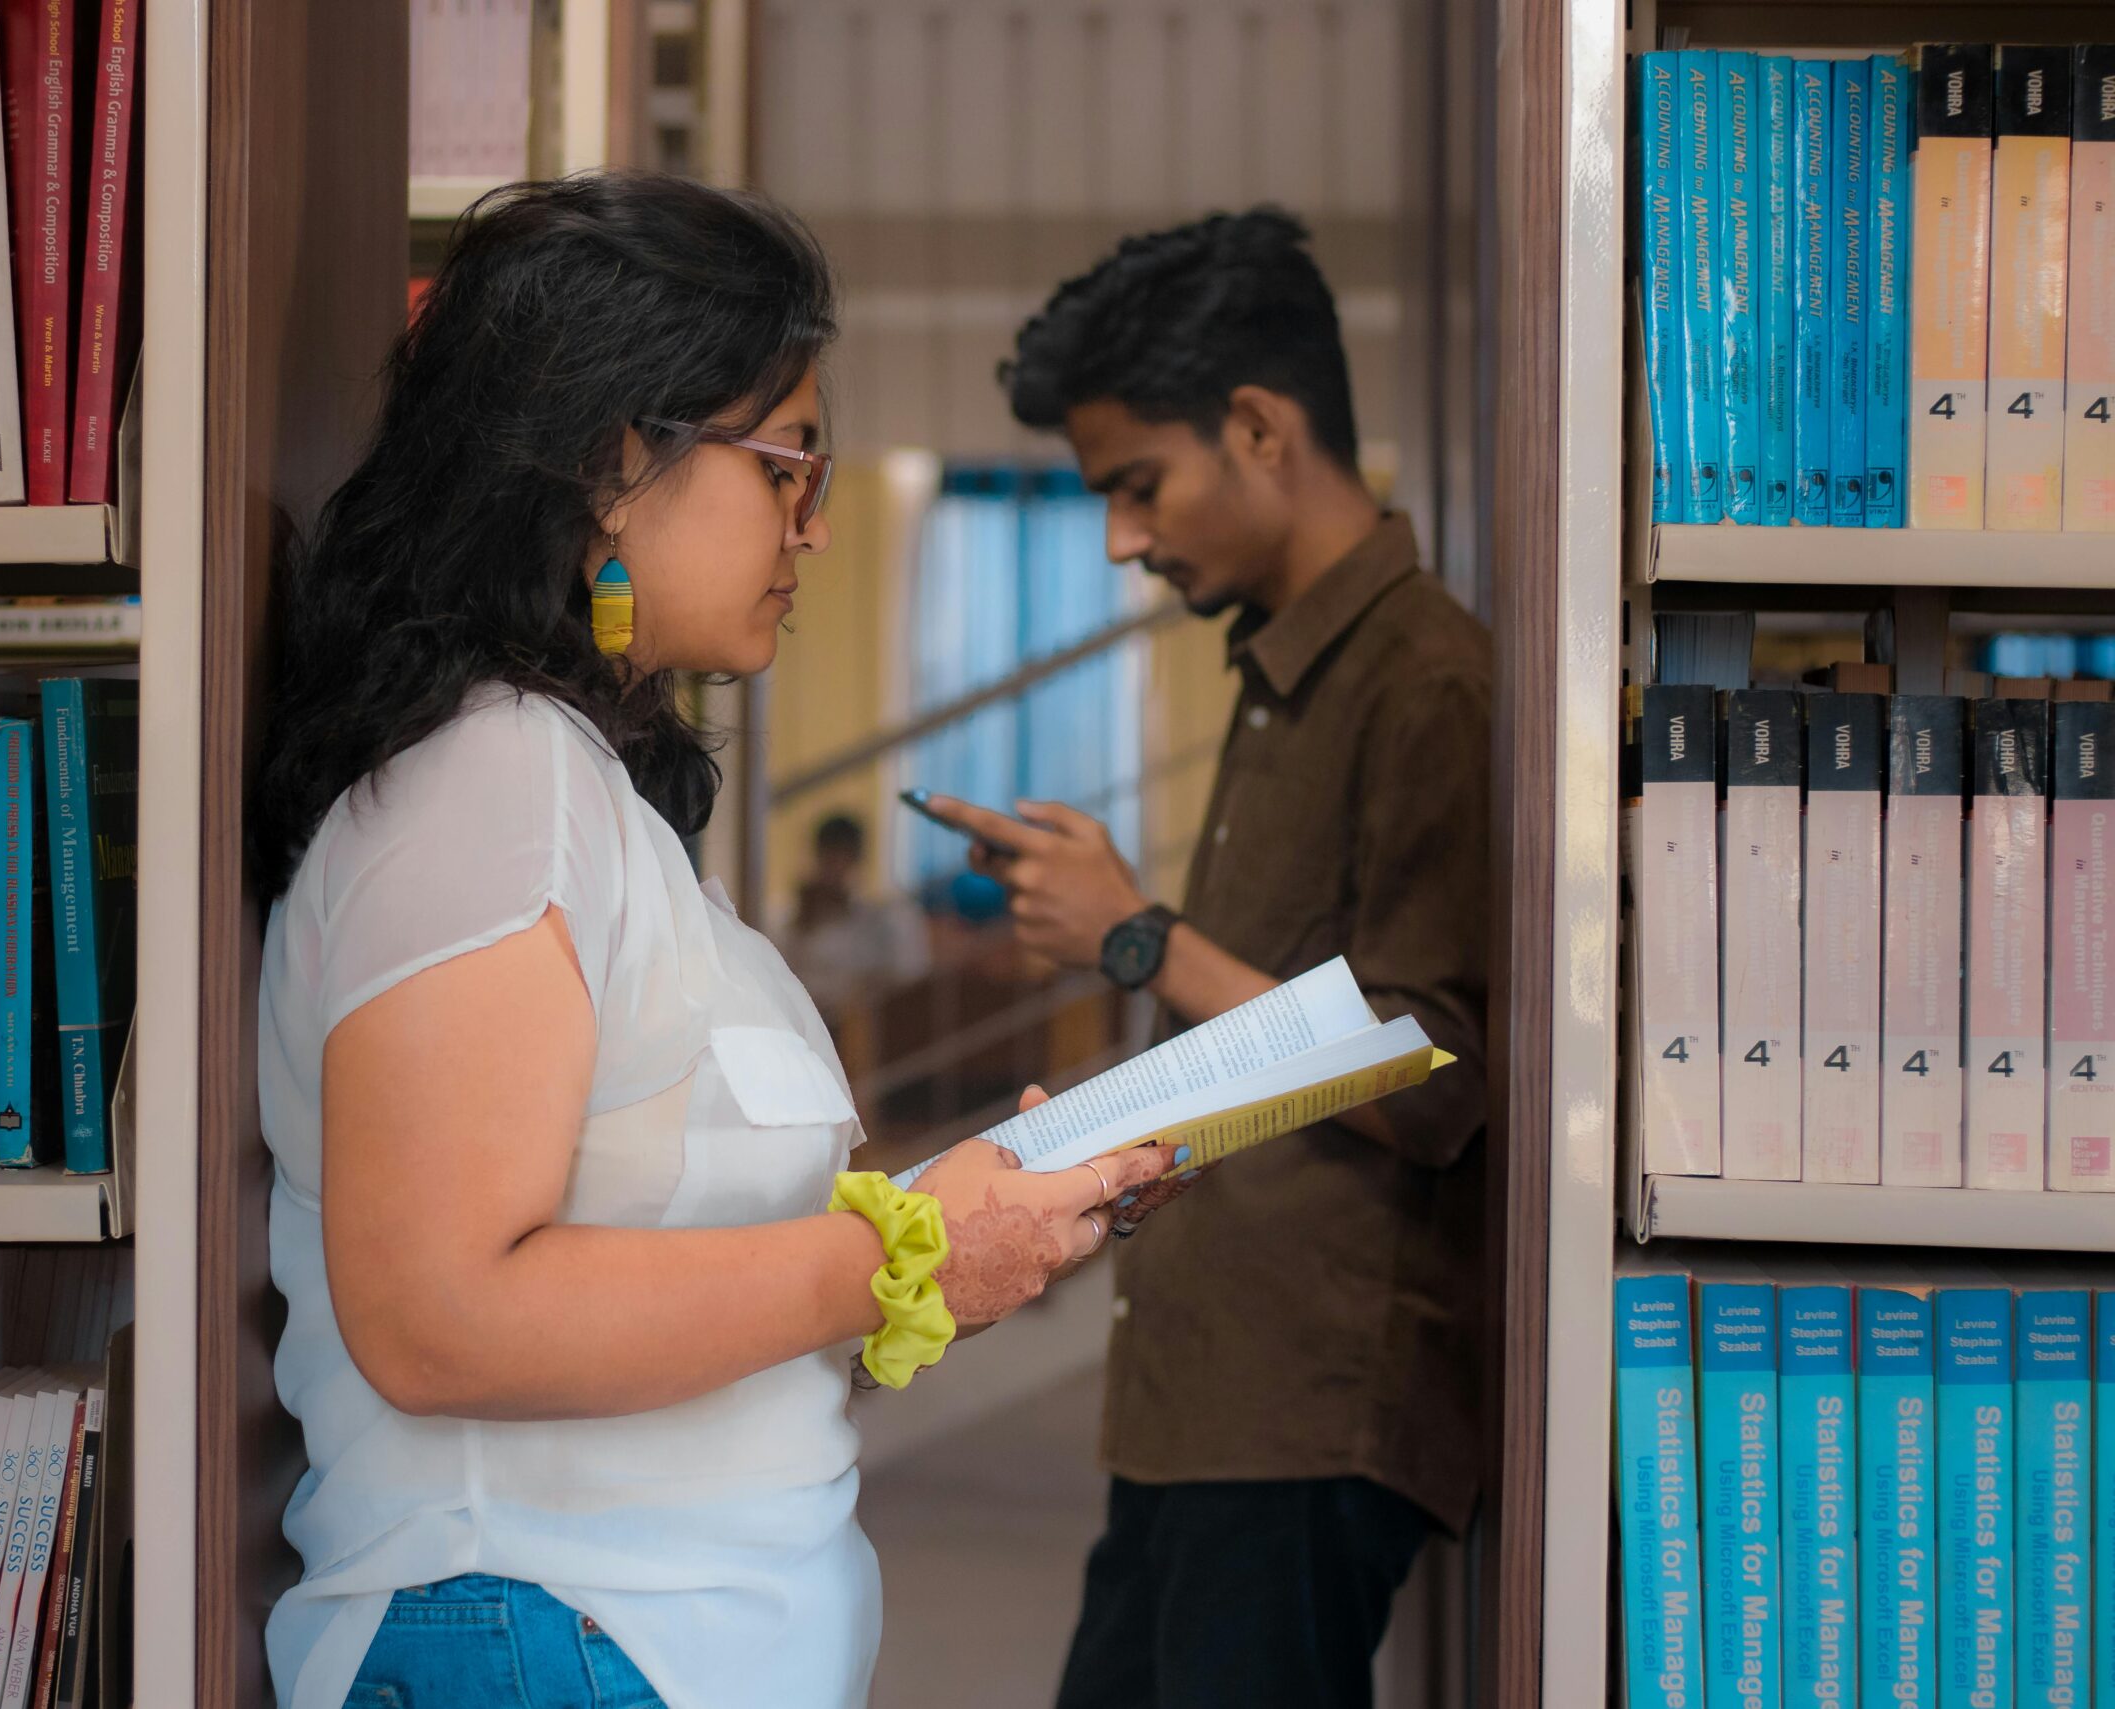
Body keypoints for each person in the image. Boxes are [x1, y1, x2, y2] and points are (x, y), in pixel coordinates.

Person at [247, 174, 1179, 1709]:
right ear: (621, 461)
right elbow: (440, 1316)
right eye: (790, 462)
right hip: (545, 1637)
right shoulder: (492, 781)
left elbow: (649, 1277)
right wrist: (906, 1248)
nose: (811, 523)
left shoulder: (579, 786)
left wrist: (957, 1249)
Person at [923, 208, 1491, 1708]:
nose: (1122, 539)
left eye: (1137, 486)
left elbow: (1433, 1067)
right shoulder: (1284, 668)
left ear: (1258, 426)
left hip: (1304, 1410)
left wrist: (1141, 938)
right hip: (1208, 1392)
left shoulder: (1429, 675)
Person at [769, 811, 931, 1016]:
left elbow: (908, 976)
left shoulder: (885, 920)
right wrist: (803, 925)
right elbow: (780, 979)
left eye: (843, 857)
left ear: (856, 859)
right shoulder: (794, 919)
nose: (836, 869)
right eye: (830, 858)